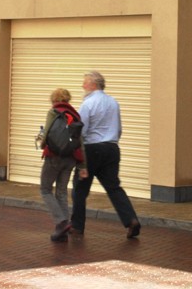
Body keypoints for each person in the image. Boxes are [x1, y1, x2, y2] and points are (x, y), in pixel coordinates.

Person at [70, 70, 141, 239]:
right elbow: (119, 128)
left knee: (80, 189)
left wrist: (76, 150)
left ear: (93, 84)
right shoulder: (113, 102)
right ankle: (131, 219)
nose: (82, 85)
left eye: (85, 82)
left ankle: (77, 226)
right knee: (114, 187)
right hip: (111, 148)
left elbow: (82, 130)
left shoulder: (87, 104)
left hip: (91, 149)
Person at [37, 88, 88, 242]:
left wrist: (42, 143)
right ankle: (63, 230)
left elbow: (46, 133)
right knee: (61, 192)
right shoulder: (75, 115)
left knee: (45, 189)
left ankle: (61, 222)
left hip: (54, 157)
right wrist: (82, 165)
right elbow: (80, 142)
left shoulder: (53, 112)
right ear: (68, 99)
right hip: (70, 159)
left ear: (54, 99)